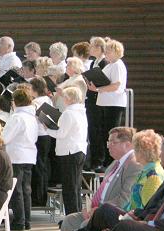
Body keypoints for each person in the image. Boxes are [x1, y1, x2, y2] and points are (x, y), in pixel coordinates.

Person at [42, 127, 141, 231]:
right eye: (108, 141)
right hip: (98, 210)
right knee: (70, 220)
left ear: (127, 144)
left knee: (83, 226)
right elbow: (104, 190)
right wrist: (89, 208)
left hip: (114, 214)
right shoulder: (115, 164)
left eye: (112, 142)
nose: (108, 145)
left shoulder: (133, 165)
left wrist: (99, 210)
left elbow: (125, 198)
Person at [46, 87, 87, 216]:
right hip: (78, 150)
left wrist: (46, 127)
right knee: (75, 186)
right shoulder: (80, 112)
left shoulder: (68, 113)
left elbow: (61, 133)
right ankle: (76, 214)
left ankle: (72, 216)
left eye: (64, 97)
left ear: (69, 98)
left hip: (69, 152)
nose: (62, 99)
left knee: (70, 187)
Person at [88, 39, 128, 169]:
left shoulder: (117, 65)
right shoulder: (110, 64)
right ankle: (106, 161)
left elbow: (116, 85)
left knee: (110, 132)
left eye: (109, 51)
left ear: (116, 51)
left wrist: (99, 89)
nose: (106, 54)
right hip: (106, 102)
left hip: (114, 103)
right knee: (104, 133)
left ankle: (111, 162)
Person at [3, 87, 38, 230]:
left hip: (16, 155)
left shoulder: (17, 117)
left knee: (16, 190)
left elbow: (5, 138)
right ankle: (26, 220)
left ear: (15, 101)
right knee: (26, 189)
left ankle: (19, 221)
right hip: (29, 155)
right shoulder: (31, 117)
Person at [29, 77, 53, 207]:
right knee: (42, 166)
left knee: (38, 167)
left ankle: (38, 197)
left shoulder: (36, 102)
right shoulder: (47, 99)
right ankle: (41, 195)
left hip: (39, 136)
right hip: (46, 136)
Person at [86, 37, 109, 172]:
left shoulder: (104, 62)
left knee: (98, 129)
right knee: (92, 130)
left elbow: (104, 81)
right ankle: (94, 159)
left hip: (98, 99)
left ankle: (99, 159)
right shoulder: (93, 62)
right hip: (92, 98)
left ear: (99, 48)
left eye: (92, 46)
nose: (90, 48)